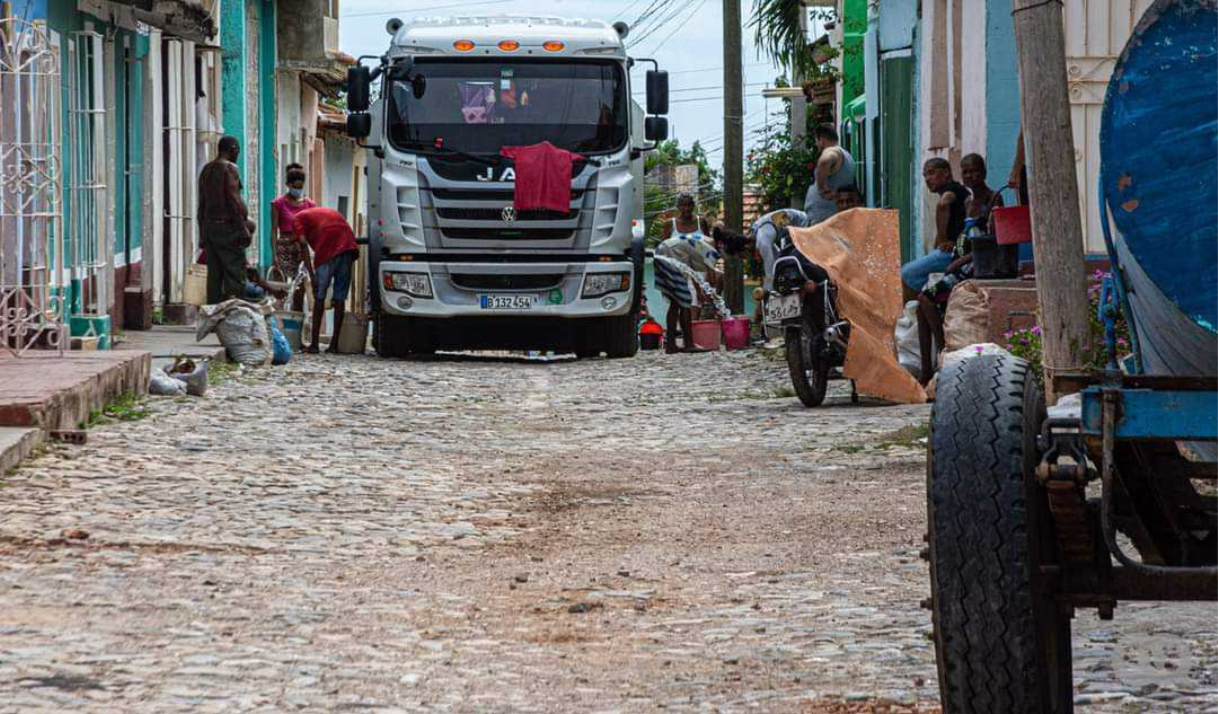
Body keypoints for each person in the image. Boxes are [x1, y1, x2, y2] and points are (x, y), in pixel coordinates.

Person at [654, 194, 721, 354]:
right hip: (671, 266)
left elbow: (706, 249)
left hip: (693, 269)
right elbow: (663, 247)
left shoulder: (701, 222)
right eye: (682, 206)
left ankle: (673, 344)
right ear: (678, 207)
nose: (686, 209)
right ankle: (686, 343)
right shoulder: (670, 225)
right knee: (681, 302)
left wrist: (710, 271)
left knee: (683, 303)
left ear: (693, 206)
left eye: (689, 205)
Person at [900, 158, 970, 302]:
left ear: (946, 173)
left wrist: (943, 239)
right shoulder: (958, 190)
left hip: (956, 254)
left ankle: (910, 314)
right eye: (925, 175)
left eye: (931, 173)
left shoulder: (952, 189)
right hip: (955, 250)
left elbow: (943, 204)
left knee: (906, 272)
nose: (927, 179)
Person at [293, 207, 360, 354]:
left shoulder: (297, 219)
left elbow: (303, 243)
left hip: (328, 242)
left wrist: (311, 275)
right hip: (347, 243)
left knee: (319, 295)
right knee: (340, 297)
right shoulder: (318, 213)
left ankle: (315, 345)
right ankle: (334, 344)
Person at [198, 136, 254, 304]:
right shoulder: (230, 168)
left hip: (210, 227)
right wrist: (242, 228)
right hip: (228, 229)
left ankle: (214, 313)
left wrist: (202, 232)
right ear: (234, 150)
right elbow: (233, 199)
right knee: (235, 274)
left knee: (214, 275)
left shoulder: (206, 170)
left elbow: (202, 205)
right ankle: (233, 314)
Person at [271, 163, 316, 309]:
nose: (297, 190)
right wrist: (274, 255)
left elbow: (313, 231)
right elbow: (273, 230)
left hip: (301, 249)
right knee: (282, 290)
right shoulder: (278, 204)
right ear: (288, 184)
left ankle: (296, 320)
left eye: (300, 187)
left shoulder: (309, 205)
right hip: (284, 247)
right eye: (295, 187)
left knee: (300, 288)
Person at [804, 124, 856, 226]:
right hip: (830, 218)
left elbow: (825, 160)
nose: (817, 145)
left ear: (821, 139)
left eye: (816, 141)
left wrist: (821, 188)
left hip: (824, 219)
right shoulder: (846, 155)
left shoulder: (832, 150)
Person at [748, 209, 809, 293]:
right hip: (796, 224)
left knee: (796, 263)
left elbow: (770, 271)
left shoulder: (762, 241)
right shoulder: (759, 233)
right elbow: (777, 259)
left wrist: (767, 292)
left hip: (804, 224)